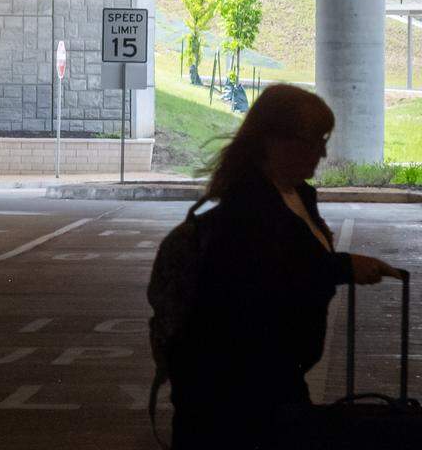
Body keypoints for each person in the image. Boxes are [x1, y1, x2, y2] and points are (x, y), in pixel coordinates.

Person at [167, 84, 400, 450]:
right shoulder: (245, 209)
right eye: (313, 140)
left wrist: (339, 268)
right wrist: (342, 268)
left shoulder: (296, 194)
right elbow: (270, 280)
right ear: (273, 141)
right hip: (234, 399)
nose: (323, 152)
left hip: (278, 383)